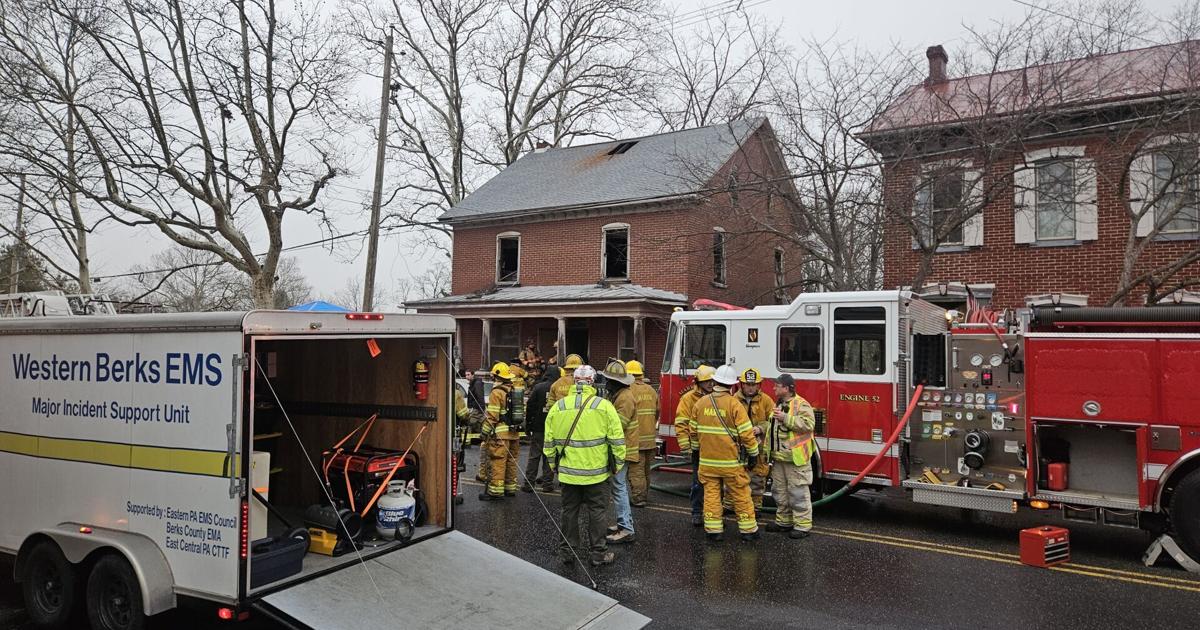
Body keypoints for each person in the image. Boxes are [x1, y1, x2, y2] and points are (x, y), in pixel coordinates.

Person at [544, 365, 626, 566]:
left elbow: (549, 443)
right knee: (597, 512)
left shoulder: (559, 407)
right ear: (592, 382)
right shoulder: (604, 406)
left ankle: (567, 552)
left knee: (569, 512)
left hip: (568, 475)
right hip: (596, 475)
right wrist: (617, 465)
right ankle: (598, 554)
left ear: (574, 382)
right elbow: (617, 440)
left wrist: (554, 465)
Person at [690, 365, 760, 541]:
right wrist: (753, 454)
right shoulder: (734, 404)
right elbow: (746, 433)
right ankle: (748, 531)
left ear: (714, 381)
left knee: (711, 495)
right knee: (741, 494)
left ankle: (714, 531)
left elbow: (693, 432)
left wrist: (697, 453)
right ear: (731, 386)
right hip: (730, 463)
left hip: (707, 462)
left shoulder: (700, 403)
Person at [766, 373, 817, 539]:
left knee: (798, 493)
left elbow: (809, 425)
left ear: (786, 388)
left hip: (796, 459)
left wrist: (786, 418)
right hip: (780, 458)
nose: (774, 388)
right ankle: (783, 522)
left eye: (777, 386)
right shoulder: (779, 404)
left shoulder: (801, 404)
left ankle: (802, 526)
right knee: (780, 492)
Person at [601, 360, 638, 545]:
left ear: (617, 382)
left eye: (609, 381)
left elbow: (618, 426)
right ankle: (624, 523)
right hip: (622, 449)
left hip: (623, 451)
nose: (606, 384)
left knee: (619, 488)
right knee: (618, 487)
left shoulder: (624, 398)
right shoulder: (619, 395)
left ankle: (626, 528)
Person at [674, 365, 715, 526]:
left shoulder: (720, 397)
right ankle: (697, 512)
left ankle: (713, 515)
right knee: (698, 482)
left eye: (712, 381)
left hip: (716, 448)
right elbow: (681, 422)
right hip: (698, 448)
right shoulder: (688, 399)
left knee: (715, 484)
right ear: (698, 382)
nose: (711, 384)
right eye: (707, 381)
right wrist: (685, 446)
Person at [734, 368, 775, 514]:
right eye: (747, 384)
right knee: (735, 477)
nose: (751, 387)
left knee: (758, 478)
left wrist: (760, 428)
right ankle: (730, 505)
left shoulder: (766, 401)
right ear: (741, 385)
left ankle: (756, 508)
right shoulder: (734, 400)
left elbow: (774, 421)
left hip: (759, 448)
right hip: (739, 448)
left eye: (754, 384)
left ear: (759, 385)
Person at [479, 363, 520, 500]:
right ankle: (510, 489)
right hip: (514, 434)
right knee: (511, 462)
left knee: (498, 462)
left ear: (497, 376)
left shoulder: (497, 392)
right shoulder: (514, 390)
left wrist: (484, 432)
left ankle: (495, 492)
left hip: (500, 435)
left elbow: (492, 416)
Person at [626, 361, 659, 508]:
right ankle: (644, 494)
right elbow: (657, 412)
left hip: (635, 438)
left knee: (636, 471)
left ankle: (639, 498)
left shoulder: (628, 391)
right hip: (650, 438)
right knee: (646, 470)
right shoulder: (651, 390)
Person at [522, 364, 558, 493]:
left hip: (538, 427)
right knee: (549, 458)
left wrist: (528, 425)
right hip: (554, 429)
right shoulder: (558, 388)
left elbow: (530, 407)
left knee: (534, 457)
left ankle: (528, 484)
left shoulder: (538, 387)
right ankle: (547, 485)